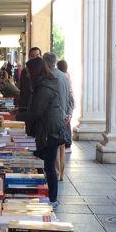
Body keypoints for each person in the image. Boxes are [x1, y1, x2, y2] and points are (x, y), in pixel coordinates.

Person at [16, 58, 68, 208]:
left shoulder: (43, 87)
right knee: (47, 164)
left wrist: (18, 116)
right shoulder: (45, 83)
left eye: (28, 72)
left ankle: (52, 199)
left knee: (49, 166)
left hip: (50, 131)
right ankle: (48, 196)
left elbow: (37, 112)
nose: (26, 75)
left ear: (35, 71)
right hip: (50, 129)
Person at [43, 52, 74, 182]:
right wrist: (69, 113)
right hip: (64, 117)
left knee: (54, 147)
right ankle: (61, 172)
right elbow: (70, 97)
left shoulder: (50, 76)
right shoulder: (64, 76)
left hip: (53, 118)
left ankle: (55, 173)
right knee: (61, 147)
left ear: (45, 62)